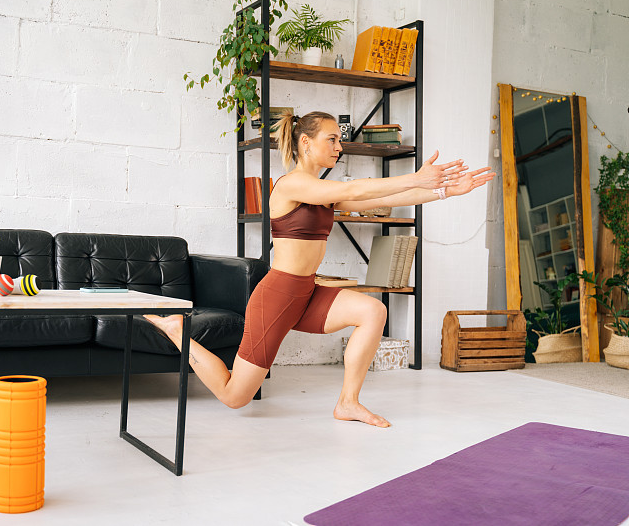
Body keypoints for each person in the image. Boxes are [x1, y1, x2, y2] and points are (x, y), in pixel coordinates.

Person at [146, 111, 493, 428]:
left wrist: (446, 192)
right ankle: (178, 330)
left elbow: (377, 200)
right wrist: (416, 176)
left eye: (340, 140)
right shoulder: (291, 185)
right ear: (305, 142)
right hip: (277, 296)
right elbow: (354, 188)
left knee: (373, 310)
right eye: (333, 139)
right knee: (235, 396)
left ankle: (348, 402)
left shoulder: (323, 193)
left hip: (306, 294)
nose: (339, 147)